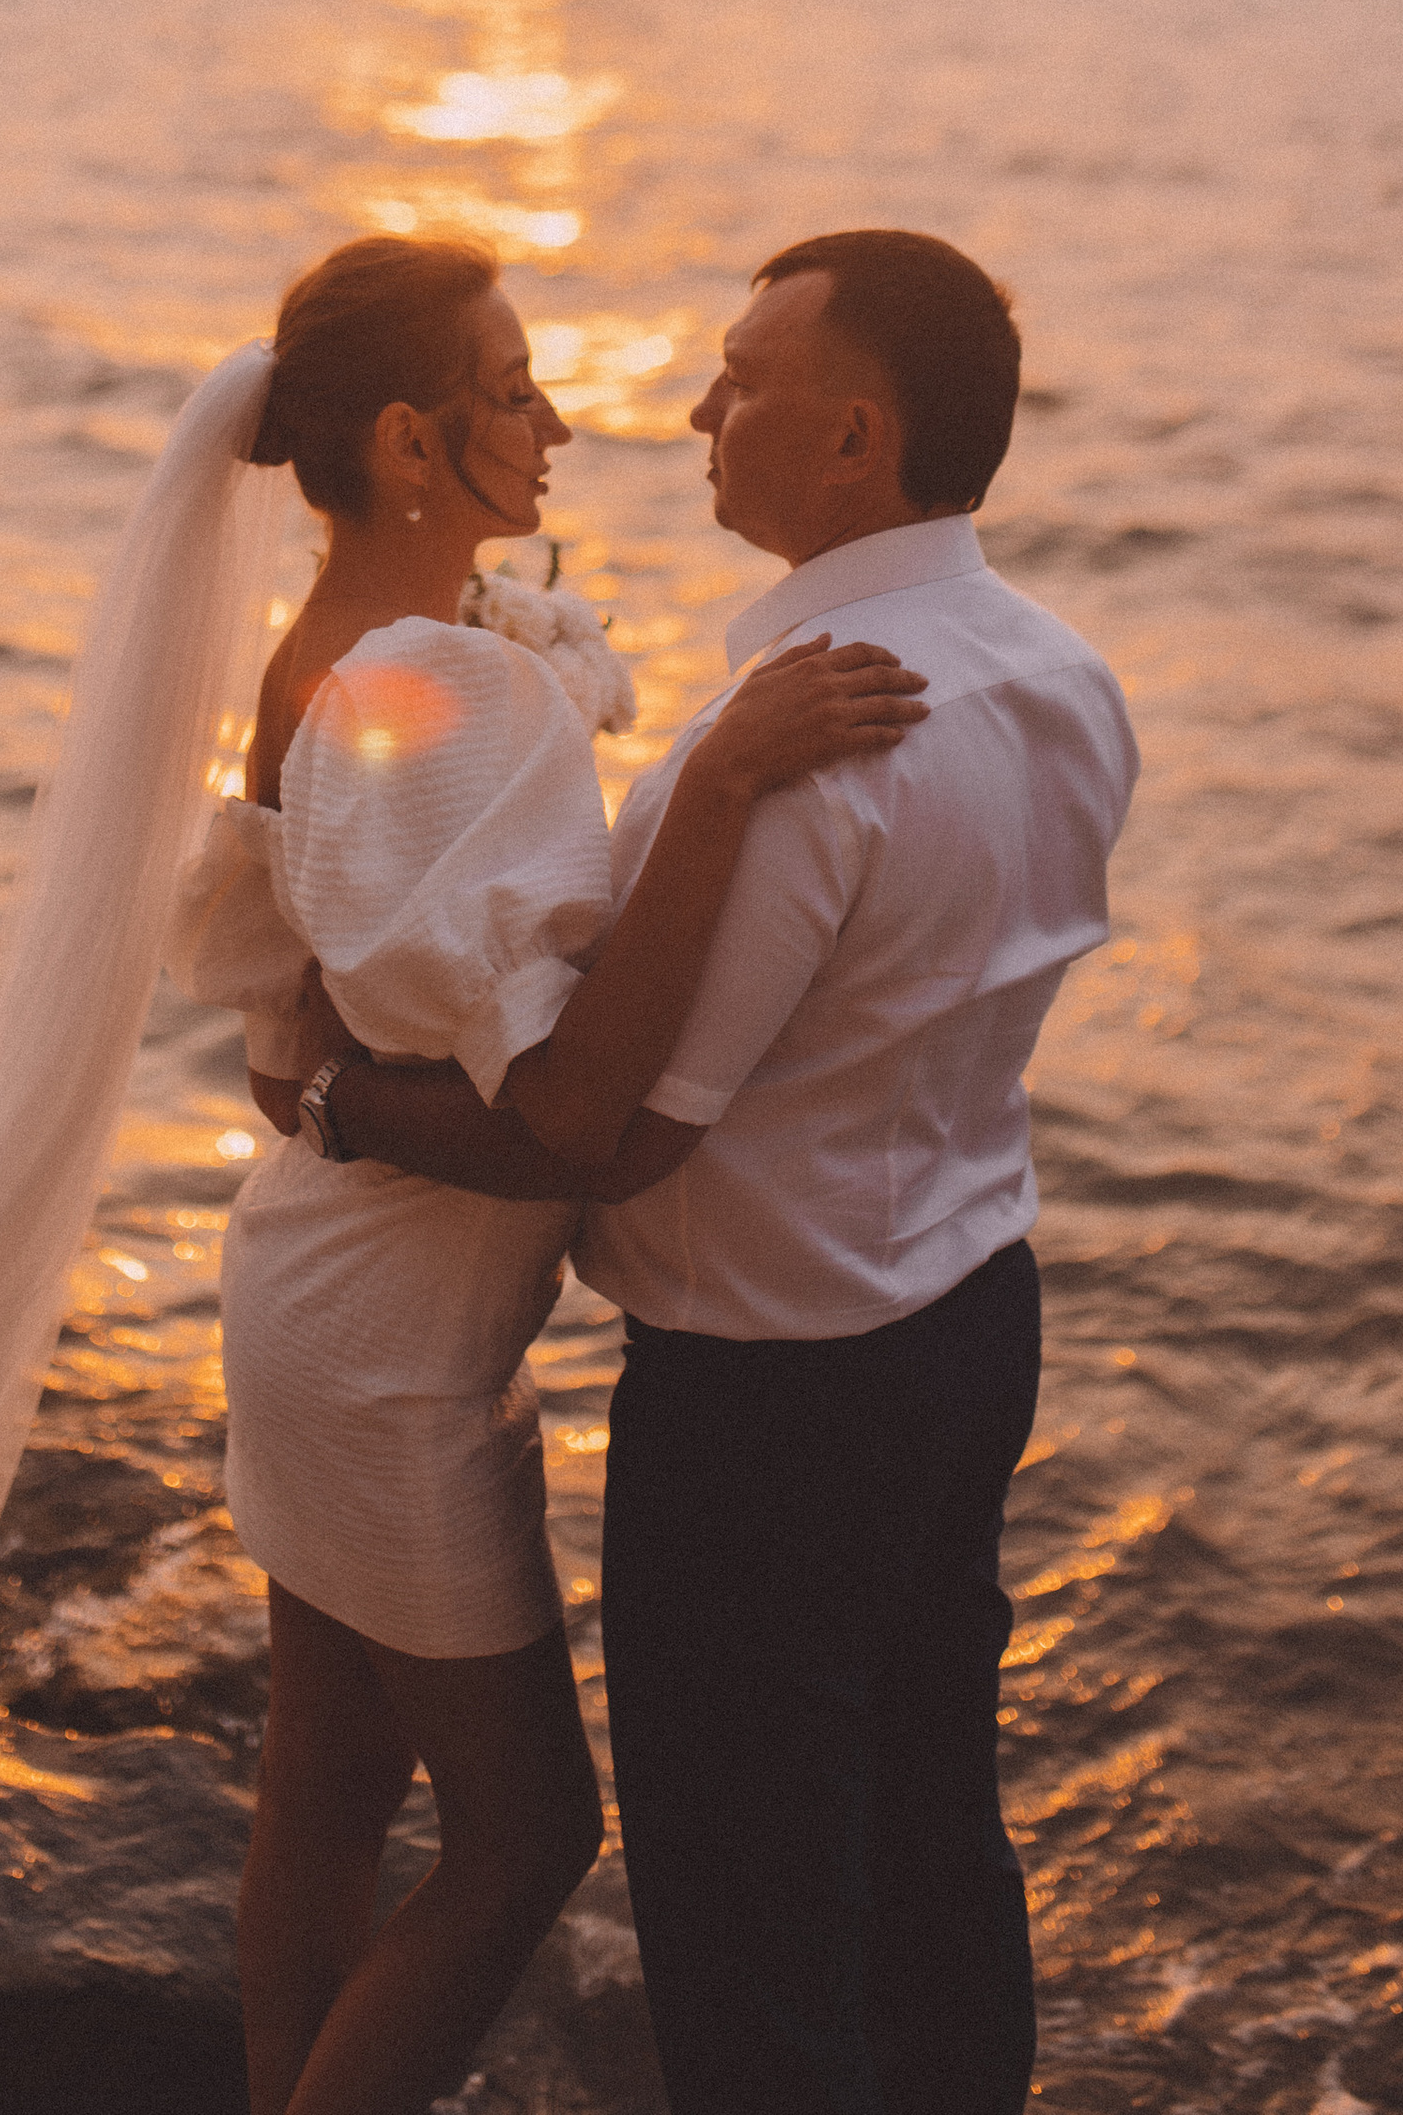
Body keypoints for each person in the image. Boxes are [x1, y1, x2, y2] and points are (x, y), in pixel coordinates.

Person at [311, 229, 1139, 2115]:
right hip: (968, 1326)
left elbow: (610, 1125)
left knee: (755, 1930)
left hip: (775, 1403)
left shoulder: (798, 749)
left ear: (853, 439)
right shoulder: (1066, 675)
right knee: (937, 1834)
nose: (696, 407)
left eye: (744, 381)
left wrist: (347, 1106)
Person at [170, 232, 930, 2115]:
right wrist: (733, 774)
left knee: (329, 1784)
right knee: (526, 1845)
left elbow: (298, 1037)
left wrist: (335, 1099)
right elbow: (575, 1110)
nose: (565, 421)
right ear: (414, 440)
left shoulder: (335, 655)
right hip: (386, 1355)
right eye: (518, 392)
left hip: (321, 1293)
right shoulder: (434, 689)